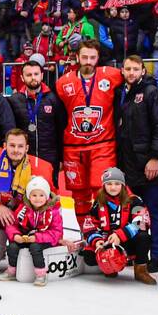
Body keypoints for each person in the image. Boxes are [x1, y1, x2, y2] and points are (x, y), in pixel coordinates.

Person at [55, 40, 125, 224]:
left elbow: (136, 76)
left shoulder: (111, 75)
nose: (88, 61)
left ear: (98, 58)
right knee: (78, 195)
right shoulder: (63, 82)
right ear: (77, 57)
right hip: (73, 147)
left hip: (103, 145)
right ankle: (86, 238)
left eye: (92, 57)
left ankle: (107, 234)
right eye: (84, 57)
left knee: (103, 189)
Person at [114, 55, 158, 272]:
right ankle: (136, 254)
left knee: (155, 211)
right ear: (122, 70)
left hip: (148, 164)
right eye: (127, 68)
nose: (131, 72)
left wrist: (155, 157)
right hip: (127, 165)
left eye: (135, 69)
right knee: (133, 212)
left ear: (143, 71)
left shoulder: (151, 92)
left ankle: (156, 256)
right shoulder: (121, 93)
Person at [80, 168, 156, 285]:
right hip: (108, 241)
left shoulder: (134, 200)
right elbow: (89, 225)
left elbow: (141, 222)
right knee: (89, 256)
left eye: (117, 183)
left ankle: (140, 270)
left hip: (127, 241)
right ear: (104, 185)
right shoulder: (98, 202)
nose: (113, 187)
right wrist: (97, 241)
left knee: (144, 237)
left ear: (123, 185)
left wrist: (121, 235)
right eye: (109, 184)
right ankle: (109, 266)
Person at [7, 55, 66, 188]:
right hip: (24, 157)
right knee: (24, 194)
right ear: (22, 78)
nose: (33, 77)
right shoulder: (14, 100)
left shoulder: (54, 99)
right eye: (28, 75)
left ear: (42, 75)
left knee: (49, 194)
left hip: (50, 157)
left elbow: (61, 129)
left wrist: (61, 158)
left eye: (36, 74)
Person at [1, 175, 63, 287]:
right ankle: (12, 270)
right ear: (29, 196)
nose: (37, 198)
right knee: (13, 246)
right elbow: (12, 224)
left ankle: (41, 274)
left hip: (45, 240)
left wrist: (37, 237)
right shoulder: (23, 209)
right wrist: (15, 236)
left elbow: (57, 233)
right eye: (34, 195)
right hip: (27, 237)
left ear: (47, 195)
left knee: (35, 247)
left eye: (41, 195)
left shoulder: (53, 212)